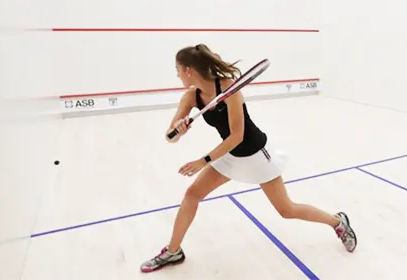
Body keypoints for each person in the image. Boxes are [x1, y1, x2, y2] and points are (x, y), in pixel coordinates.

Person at [140, 44, 358, 273]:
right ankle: (173, 251)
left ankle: (337, 221)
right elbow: (169, 137)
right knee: (192, 195)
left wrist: (202, 161)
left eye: (178, 70)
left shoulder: (229, 89)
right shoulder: (191, 97)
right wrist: (177, 129)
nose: (177, 75)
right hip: (229, 155)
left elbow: (237, 136)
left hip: (256, 155)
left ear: (188, 71)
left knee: (286, 210)